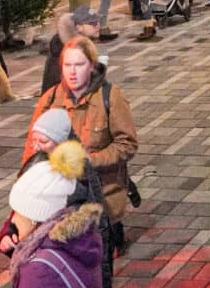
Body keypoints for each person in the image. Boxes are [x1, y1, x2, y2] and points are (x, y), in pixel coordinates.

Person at [28, 36, 140, 247]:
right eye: (67, 65)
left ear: (92, 66)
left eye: (79, 65)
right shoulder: (51, 98)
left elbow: (127, 144)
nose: (72, 71)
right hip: (61, 200)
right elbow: (32, 148)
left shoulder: (111, 96)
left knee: (100, 258)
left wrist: (91, 160)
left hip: (102, 198)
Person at [3, 142, 114, 288]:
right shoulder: (80, 241)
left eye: (18, 211)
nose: (14, 220)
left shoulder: (40, 271)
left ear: (35, 217)